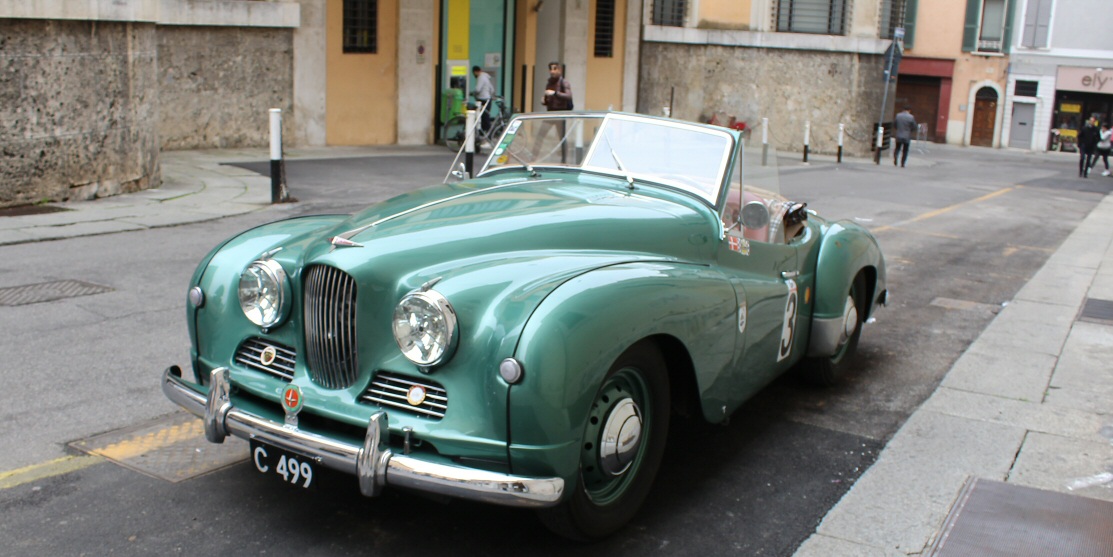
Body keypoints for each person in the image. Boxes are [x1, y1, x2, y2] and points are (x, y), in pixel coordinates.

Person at [471, 66, 495, 143]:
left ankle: (488, 137)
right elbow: (492, 89)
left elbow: (478, 89)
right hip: (488, 100)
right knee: (484, 118)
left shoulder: (480, 77)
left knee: (483, 118)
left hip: (482, 100)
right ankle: (483, 137)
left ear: (475, 72)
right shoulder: (486, 77)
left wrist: (473, 93)